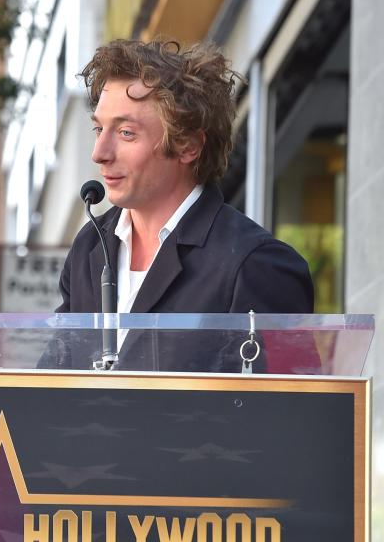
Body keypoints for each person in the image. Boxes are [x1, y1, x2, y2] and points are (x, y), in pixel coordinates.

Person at [50, 39, 314, 371]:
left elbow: (288, 413)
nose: (99, 152)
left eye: (126, 132)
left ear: (188, 146)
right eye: (99, 128)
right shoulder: (90, 246)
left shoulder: (256, 265)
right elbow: (53, 383)